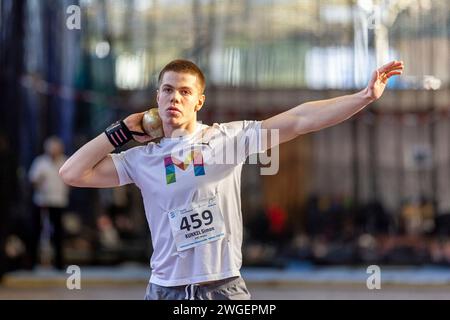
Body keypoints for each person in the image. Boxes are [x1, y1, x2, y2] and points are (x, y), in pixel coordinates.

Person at [59, 59, 404, 299]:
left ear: (199, 102)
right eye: (166, 90)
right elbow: (72, 173)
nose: (174, 97)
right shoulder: (142, 159)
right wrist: (120, 132)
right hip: (164, 288)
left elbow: (300, 119)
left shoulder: (227, 140)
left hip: (221, 287)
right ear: (157, 99)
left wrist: (364, 97)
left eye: (184, 91)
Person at [29, 136, 69, 270]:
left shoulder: (65, 161)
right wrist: (39, 181)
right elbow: (32, 180)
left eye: (56, 148)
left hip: (58, 201)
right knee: (36, 231)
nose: (54, 151)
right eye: (51, 148)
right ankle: (32, 262)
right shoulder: (40, 162)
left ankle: (59, 263)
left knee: (58, 233)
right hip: (42, 201)